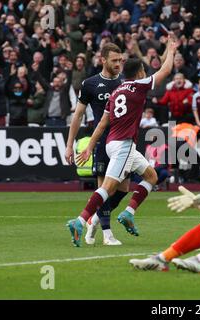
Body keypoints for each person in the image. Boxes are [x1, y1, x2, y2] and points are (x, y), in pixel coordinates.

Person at [68, 36, 178, 247]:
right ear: (139, 74)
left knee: (151, 176)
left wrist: (90, 144)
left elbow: (101, 123)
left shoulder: (116, 91)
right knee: (109, 187)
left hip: (111, 142)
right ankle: (80, 220)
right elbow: (165, 72)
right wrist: (171, 50)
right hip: (124, 144)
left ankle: (128, 212)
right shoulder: (139, 85)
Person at [65, 43, 127, 246]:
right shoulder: (90, 83)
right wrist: (69, 145)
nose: (118, 63)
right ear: (103, 60)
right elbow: (78, 115)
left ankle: (95, 220)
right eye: (114, 60)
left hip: (123, 142)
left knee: (123, 189)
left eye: (120, 60)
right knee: (103, 188)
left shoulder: (125, 83)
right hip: (102, 142)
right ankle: (107, 234)